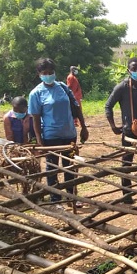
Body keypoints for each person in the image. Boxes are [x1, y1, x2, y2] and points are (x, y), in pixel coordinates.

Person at [29, 58, 89, 208]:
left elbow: (76, 108)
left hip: (69, 134)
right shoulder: (36, 93)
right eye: (45, 73)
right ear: (39, 74)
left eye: (51, 72)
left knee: (69, 166)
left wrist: (84, 127)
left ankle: (71, 196)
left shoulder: (62, 87)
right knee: (52, 167)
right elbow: (35, 119)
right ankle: (56, 199)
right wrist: (39, 140)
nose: (48, 75)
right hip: (51, 136)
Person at [105, 57, 137, 204]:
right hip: (129, 132)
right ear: (128, 70)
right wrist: (113, 126)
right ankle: (127, 194)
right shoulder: (122, 87)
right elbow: (108, 106)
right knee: (127, 163)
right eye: (134, 69)